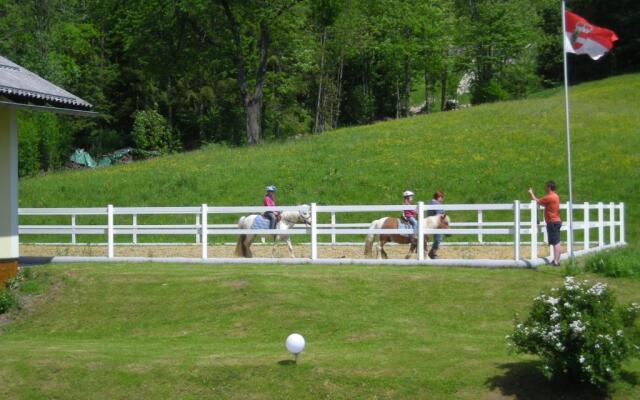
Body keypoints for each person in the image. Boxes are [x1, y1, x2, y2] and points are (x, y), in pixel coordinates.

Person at [528, 181, 562, 266]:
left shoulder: (550, 197)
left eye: (546, 187)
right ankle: (556, 260)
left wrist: (531, 193)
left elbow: (537, 201)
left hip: (552, 221)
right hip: (556, 221)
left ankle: (556, 262)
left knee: (556, 242)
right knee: (556, 242)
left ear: (549, 187)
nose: (545, 188)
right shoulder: (556, 196)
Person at [427, 191, 445, 259]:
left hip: (429, 222)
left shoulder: (429, 203)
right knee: (438, 239)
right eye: (442, 197)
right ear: (439, 197)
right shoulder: (437, 204)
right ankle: (432, 253)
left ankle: (431, 253)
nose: (442, 199)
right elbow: (439, 215)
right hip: (437, 223)